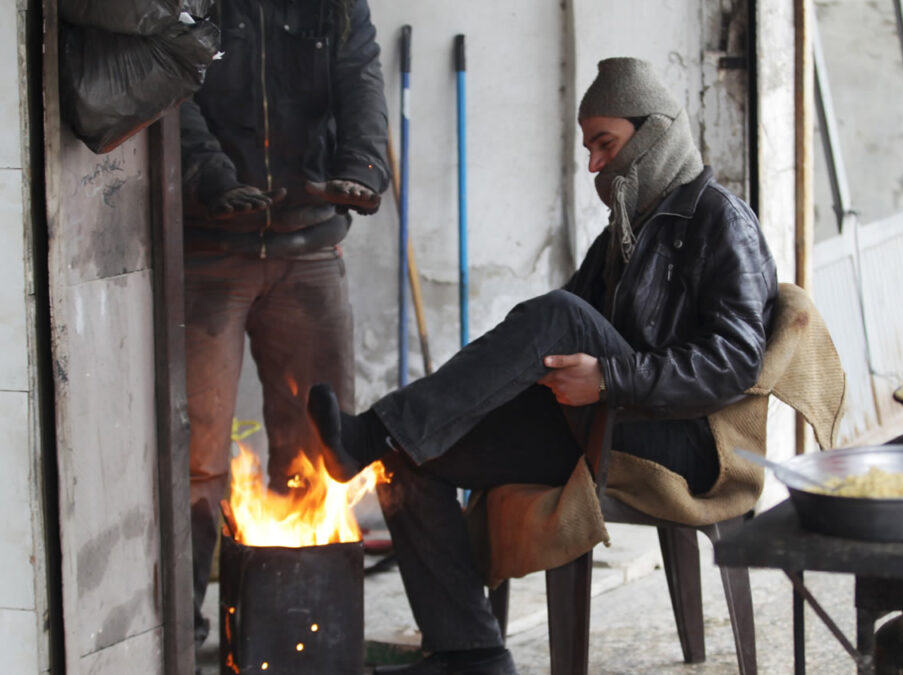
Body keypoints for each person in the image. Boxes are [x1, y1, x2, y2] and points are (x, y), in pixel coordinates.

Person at [307, 57, 778, 675]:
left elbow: (736, 360)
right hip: (600, 424)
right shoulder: (622, 235)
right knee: (408, 456)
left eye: (604, 144)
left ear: (654, 131)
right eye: (589, 148)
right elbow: (549, 349)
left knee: (558, 313)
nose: (594, 165)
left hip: (684, 438)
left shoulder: (720, 219)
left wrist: (611, 378)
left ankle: (373, 430)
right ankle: (468, 652)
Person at [178, 0, 389, 649]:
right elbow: (171, 90)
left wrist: (361, 168)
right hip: (210, 251)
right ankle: (182, 628)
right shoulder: (197, 4)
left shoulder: (335, 6)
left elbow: (362, 86)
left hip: (310, 248)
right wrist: (211, 174)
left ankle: (303, 622)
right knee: (195, 456)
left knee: (320, 444)